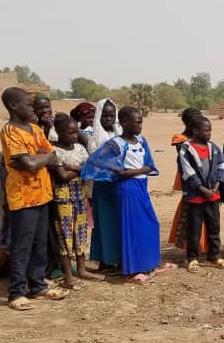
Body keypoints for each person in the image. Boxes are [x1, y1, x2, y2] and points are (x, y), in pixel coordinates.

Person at [0, 87, 68, 310]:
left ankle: (38, 285)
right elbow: (28, 164)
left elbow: (52, 155)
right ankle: (16, 292)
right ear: (13, 106)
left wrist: (41, 158)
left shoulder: (36, 130)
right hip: (23, 197)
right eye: (28, 105)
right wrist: (42, 158)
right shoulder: (10, 131)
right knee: (22, 246)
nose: (33, 108)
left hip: (42, 195)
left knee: (40, 244)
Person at [82, 106, 162, 282]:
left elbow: (150, 166)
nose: (140, 126)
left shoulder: (141, 141)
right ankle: (133, 268)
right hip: (127, 189)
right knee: (132, 227)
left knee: (149, 224)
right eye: (137, 122)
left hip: (140, 185)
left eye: (141, 122)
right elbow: (96, 161)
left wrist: (133, 171)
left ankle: (147, 263)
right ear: (124, 122)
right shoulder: (116, 143)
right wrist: (118, 170)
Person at [50, 113, 103, 289]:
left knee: (80, 233)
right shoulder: (53, 150)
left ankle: (81, 269)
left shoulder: (80, 148)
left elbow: (91, 171)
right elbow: (62, 176)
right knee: (64, 236)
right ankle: (68, 275)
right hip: (62, 198)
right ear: (59, 132)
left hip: (80, 196)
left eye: (75, 132)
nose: (74, 136)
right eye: (70, 133)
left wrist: (72, 167)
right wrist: (81, 170)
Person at [177, 116, 224, 272]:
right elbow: (188, 172)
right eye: (206, 131)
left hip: (213, 195)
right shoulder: (186, 149)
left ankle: (214, 257)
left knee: (214, 227)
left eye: (210, 131)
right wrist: (202, 189)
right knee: (194, 229)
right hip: (196, 196)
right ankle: (192, 258)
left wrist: (216, 187)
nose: (209, 134)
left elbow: (221, 167)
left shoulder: (214, 148)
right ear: (195, 131)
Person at [167, 108, 209, 256]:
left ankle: (201, 245)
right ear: (187, 124)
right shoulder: (181, 139)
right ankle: (188, 246)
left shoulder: (201, 139)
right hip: (189, 179)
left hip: (203, 178)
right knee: (188, 211)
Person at [88, 97, 122, 270]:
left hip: (119, 184)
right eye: (105, 115)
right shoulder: (92, 136)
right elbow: (95, 159)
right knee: (104, 222)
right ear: (99, 116)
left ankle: (119, 258)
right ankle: (105, 260)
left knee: (119, 222)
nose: (109, 119)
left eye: (112, 115)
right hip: (101, 185)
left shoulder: (120, 133)